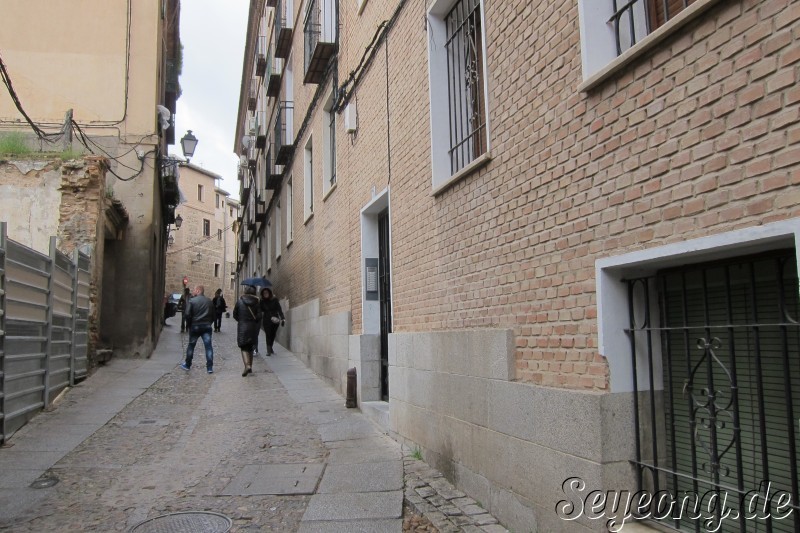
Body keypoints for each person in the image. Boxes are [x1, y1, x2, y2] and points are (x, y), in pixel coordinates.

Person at [180, 285, 216, 374]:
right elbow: (214, 316)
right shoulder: (209, 301)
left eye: (194, 290)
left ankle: (187, 364)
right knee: (208, 347)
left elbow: (187, 314)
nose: (193, 291)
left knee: (191, 345)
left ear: (198, 290)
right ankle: (209, 367)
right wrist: (209, 323)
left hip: (195, 326)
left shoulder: (192, 301)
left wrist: (189, 324)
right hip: (206, 326)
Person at [233, 285, 262, 377]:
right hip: (253, 327)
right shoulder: (257, 302)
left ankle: (247, 365)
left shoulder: (240, 301)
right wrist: (254, 320)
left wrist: (241, 320)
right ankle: (250, 367)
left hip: (242, 326)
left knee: (243, 346)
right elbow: (259, 316)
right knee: (250, 346)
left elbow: (235, 314)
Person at [259, 287, 285, 356]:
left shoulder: (275, 300)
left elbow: (279, 309)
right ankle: (268, 350)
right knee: (268, 334)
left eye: (266, 293)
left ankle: (270, 347)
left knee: (273, 335)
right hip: (266, 320)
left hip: (275, 320)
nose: (265, 294)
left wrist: (282, 318)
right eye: (264, 293)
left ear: (269, 293)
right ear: (262, 294)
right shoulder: (262, 301)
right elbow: (260, 310)